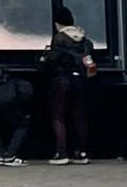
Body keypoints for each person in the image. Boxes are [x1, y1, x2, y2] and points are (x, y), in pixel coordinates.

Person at [38, 9, 96, 165]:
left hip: (62, 80)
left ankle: (61, 152)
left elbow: (52, 60)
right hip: (81, 81)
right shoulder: (82, 37)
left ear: (57, 24)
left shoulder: (59, 38)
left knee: (58, 116)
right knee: (79, 116)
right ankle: (82, 152)